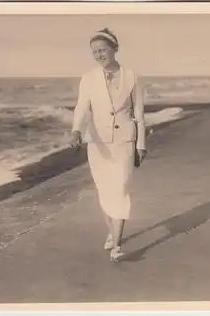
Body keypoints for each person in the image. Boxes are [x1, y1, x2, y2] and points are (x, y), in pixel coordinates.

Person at [69, 28, 148, 262]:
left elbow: (139, 113)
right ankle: (113, 234)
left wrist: (141, 144)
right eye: (95, 52)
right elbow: (82, 108)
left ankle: (117, 246)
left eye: (102, 50)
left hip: (124, 140)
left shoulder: (131, 76)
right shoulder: (88, 78)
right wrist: (76, 131)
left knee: (121, 189)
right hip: (98, 143)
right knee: (105, 191)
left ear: (115, 49)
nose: (99, 55)